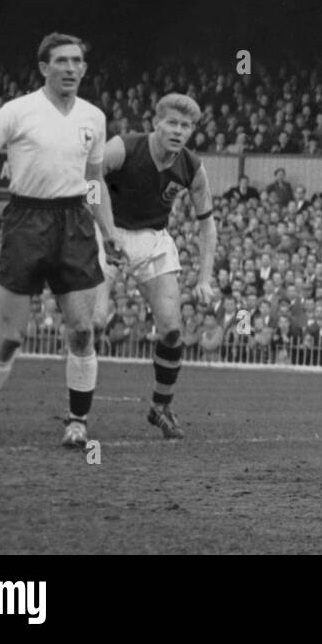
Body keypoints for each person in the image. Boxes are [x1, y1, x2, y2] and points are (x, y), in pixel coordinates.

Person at [0, 32, 122, 450]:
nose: (70, 68)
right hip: (25, 221)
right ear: (44, 67)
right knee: (11, 336)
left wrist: (109, 229)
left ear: (84, 68)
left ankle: (77, 422)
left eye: (77, 61)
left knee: (83, 330)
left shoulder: (93, 117)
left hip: (75, 223)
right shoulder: (17, 111)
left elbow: (94, 179)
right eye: (61, 61)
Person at [94, 94, 216, 438]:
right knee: (94, 322)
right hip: (109, 232)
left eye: (186, 126)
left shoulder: (192, 167)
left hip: (152, 238)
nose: (179, 131)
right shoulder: (124, 147)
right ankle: (79, 411)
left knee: (172, 329)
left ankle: (161, 407)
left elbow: (208, 224)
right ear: (156, 123)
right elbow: (90, 178)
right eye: (173, 123)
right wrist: (102, 230)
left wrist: (205, 279)